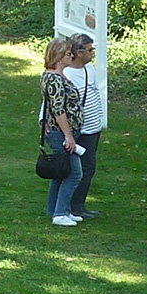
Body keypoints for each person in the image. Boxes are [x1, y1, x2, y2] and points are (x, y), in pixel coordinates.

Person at [41, 36, 83, 226]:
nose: (71, 56)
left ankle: (57, 209)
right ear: (58, 56)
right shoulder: (55, 80)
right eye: (68, 54)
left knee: (60, 171)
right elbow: (59, 110)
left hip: (60, 131)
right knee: (74, 173)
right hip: (61, 132)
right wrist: (68, 136)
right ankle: (60, 214)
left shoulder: (53, 76)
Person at [64, 33, 103, 219]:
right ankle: (71, 206)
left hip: (93, 127)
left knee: (89, 168)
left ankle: (78, 204)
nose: (92, 53)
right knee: (76, 169)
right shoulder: (66, 74)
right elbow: (55, 102)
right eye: (89, 50)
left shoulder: (90, 70)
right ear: (79, 53)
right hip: (79, 129)